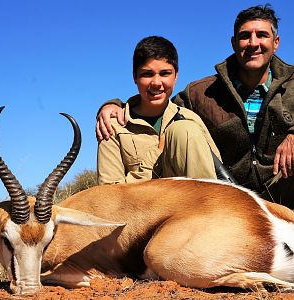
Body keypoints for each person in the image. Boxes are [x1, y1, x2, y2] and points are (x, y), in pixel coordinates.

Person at [96, 5, 294, 208]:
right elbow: (156, 104)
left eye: (262, 35)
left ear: (276, 42)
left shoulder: (292, 84)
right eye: (245, 36)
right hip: (220, 203)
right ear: (234, 43)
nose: (253, 43)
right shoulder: (200, 94)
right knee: (183, 130)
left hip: (282, 195)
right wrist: (112, 105)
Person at [97, 36, 220, 185]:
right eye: (147, 74)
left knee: (184, 130)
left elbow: (214, 173)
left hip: (190, 205)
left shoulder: (190, 119)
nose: (156, 83)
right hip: (140, 207)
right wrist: (156, 154)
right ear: (134, 76)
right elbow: (110, 195)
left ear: (176, 76)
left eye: (165, 73)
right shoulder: (112, 125)